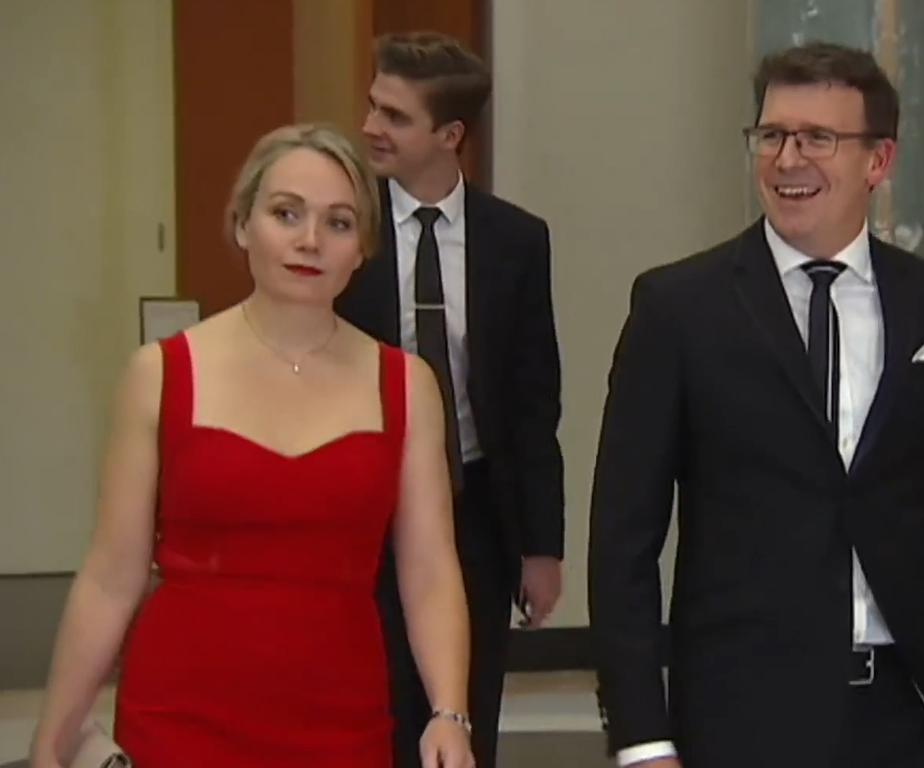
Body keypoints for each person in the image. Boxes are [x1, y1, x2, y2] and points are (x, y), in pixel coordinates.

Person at [588, 42, 924, 768]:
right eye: (772, 135)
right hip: (739, 715)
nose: (788, 159)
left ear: (877, 162)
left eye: (817, 138)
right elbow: (622, 540)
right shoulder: (677, 309)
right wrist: (641, 737)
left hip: (909, 711)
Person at [31, 124, 474, 768]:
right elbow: (110, 577)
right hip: (179, 714)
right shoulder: (160, 374)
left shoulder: (406, 386)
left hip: (340, 714)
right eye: (286, 213)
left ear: (363, 250)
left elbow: (430, 570)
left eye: (339, 223)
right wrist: (50, 741)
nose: (309, 241)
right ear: (243, 225)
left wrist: (449, 712)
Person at [335, 31, 565, 768]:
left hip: (473, 507)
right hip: (359, 504)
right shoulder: (345, 228)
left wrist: (541, 545)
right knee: (370, 704)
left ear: (450, 135)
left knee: (464, 707)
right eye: (373, 107)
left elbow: (534, 403)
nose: (371, 127)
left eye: (395, 116)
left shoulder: (515, 242)